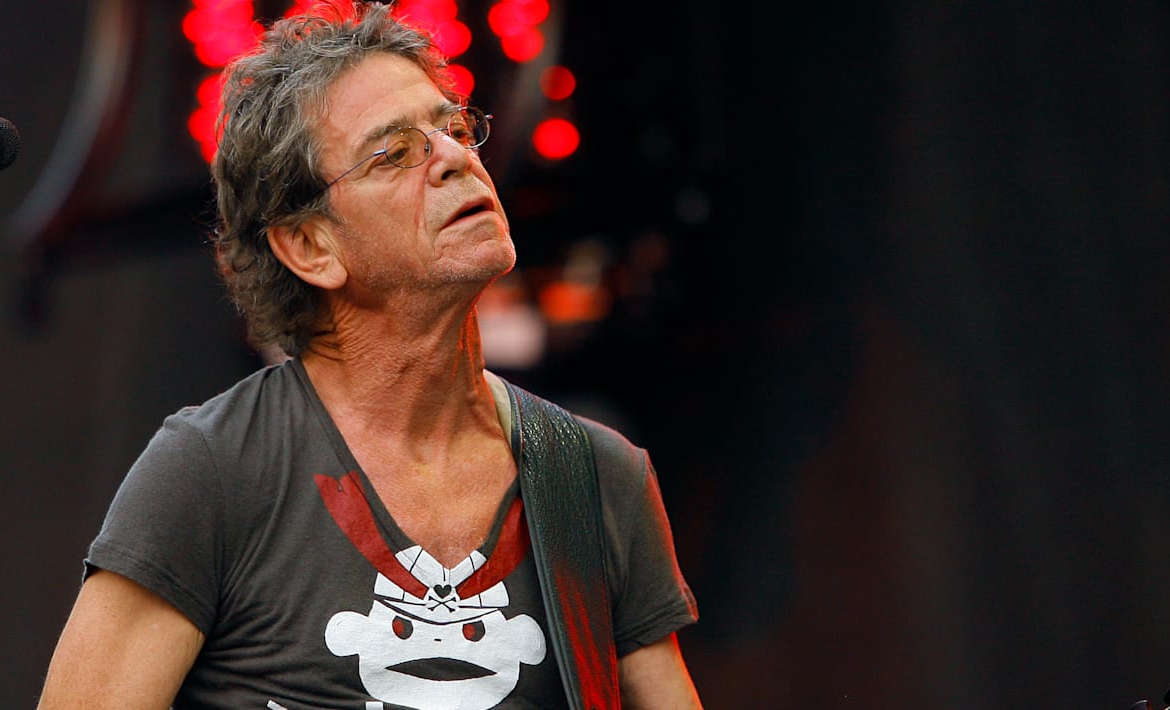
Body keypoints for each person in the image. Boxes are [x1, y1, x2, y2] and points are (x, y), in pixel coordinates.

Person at [36, 2, 701, 708]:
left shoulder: (595, 477)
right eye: (396, 153)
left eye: (454, 129)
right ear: (310, 247)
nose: (455, 159)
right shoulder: (214, 471)